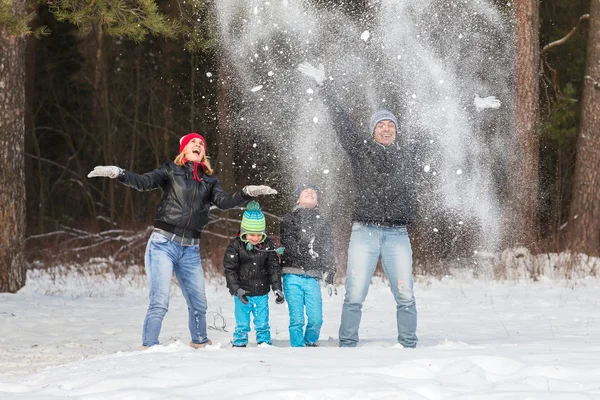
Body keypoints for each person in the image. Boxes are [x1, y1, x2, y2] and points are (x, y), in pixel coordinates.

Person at [87, 133, 277, 350]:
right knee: (160, 302)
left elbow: (224, 203)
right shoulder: (170, 170)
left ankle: (200, 343)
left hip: (191, 250)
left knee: (199, 304)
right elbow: (144, 182)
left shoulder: (209, 181)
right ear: (184, 150)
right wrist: (119, 173)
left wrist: (246, 192)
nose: (198, 145)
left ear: (203, 153)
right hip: (162, 244)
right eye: (193, 143)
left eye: (201, 144)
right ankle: (149, 347)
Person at [298, 62, 419, 348]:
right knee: (354, 293)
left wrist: (470, 108)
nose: (386, 129)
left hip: (397, 234)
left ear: (396, 131)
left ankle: (409, 346)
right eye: (381, 125)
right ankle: (347, 345)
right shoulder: (360, 149)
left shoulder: (408, 155)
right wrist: (324, 85)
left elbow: (441, 131)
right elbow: (341, 121)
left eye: (391, 125)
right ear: (373, 130)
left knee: (405, 294)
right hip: (364, 232)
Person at [280, 183, 335, 347]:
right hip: (292, 274)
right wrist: (302, 250)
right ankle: (297, 347)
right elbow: (287, 242)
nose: (310, 193)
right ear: (297, 199)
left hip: (312, 277)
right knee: (296, 318)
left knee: (316, 319)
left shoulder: (323, 222)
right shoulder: (289, 219)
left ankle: (310, 343)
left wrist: (330, 270)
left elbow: (328, 248)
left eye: (314, 192)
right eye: (305, 191)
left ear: (317, 201)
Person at [223, 200, 285, 347]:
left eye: (259, 234)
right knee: (242, 323)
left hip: (261, 293)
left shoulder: (268, 246)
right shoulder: (236, 246)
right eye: (251, 234)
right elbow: (230, 269)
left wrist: (277, 288)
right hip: (242, 293)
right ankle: (239, 342)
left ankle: (264, 343)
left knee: (262, 322)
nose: (255, 238)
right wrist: (236, 289)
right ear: (244, 232)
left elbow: (273, 267)